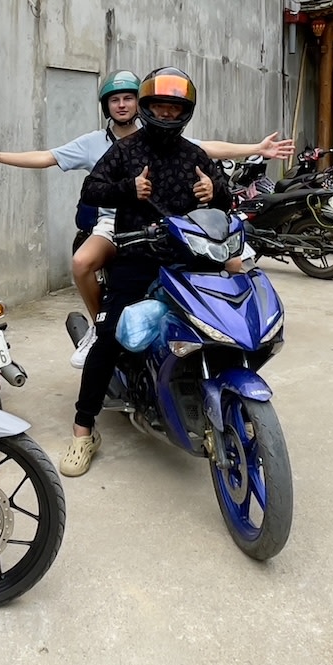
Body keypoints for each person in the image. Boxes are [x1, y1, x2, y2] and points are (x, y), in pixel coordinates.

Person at [0, 71, 290, 366]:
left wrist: (257, 148)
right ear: (107, 106)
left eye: (128, 98)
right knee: (81, 263)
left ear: (141, 103)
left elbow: (209, 148)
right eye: (114, 100)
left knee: (233, 264)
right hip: (116, 224)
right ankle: (100, 327)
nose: (121, 105)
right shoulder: (95, 143)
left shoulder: (166, 135)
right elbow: (48, 157)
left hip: (173, 222)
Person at [59, 67, 232, 477]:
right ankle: (84, 431)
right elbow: (92, 190)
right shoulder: (126, 150)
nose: (167, 115)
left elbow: (225, 198)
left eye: (175, 108)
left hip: (188, 257)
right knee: (107, 338)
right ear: (148, 108)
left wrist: (216, 192)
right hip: (137, 254)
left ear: (185, 112)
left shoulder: (195, 155)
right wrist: (128, 190)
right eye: (160, 106)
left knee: (218, 320)